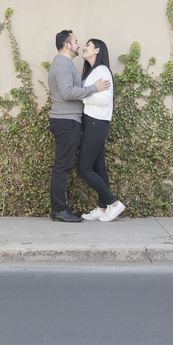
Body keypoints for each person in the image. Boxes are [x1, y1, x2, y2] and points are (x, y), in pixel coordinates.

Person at [48, 29, 110, 222]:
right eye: (75, 41)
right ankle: (59, 210)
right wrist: (93, 88)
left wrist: (82, 90)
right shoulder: (62, 63)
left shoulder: (65, 64)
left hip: (69, 120)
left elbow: (71, 91)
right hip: (65, 121)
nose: (78, 45)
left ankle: (60, 209)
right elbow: (67, 93)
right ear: (67, 44)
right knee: (62, 166)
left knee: (64, 165)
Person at [78, 38, 125, 222]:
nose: (84, 47)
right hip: (94, 122)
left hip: (97, 123)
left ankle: (114, 203)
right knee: (99, 167)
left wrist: (82, 97)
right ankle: (104, 208)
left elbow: (105, 100)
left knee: (84, 168)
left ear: (97, 50)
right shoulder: (93, 71)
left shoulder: (102, 71)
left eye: (88, 46)